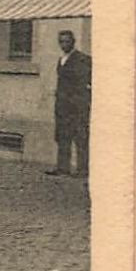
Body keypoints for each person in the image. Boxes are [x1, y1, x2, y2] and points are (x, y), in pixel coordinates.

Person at [49, 30, 91, 178]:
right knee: (62, 137)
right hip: (62, 106)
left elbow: (84, 83)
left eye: (67, 41)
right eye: (61, 41)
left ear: (73, 42)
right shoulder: (61, 60)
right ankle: (63, 168)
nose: (64, 44)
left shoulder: (82, 59)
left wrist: (77, 101)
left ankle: (83, 170)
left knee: (80, 138)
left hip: (76, 107)